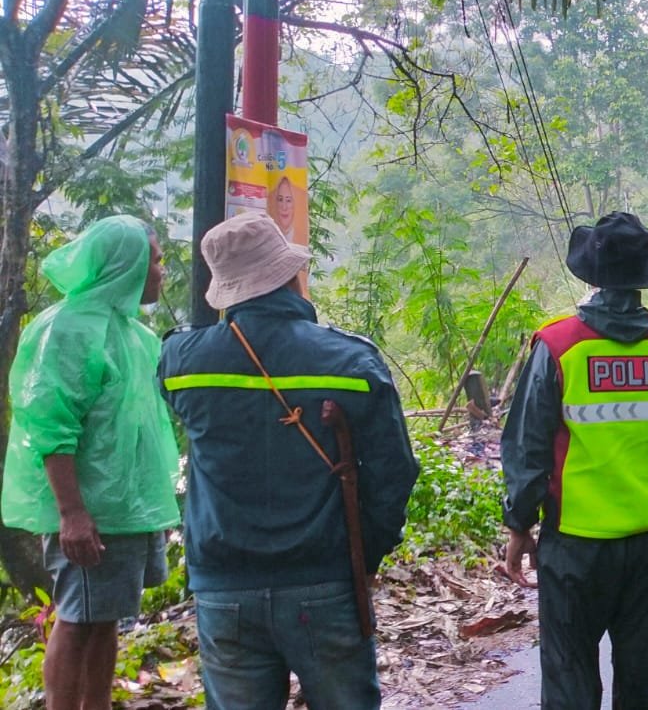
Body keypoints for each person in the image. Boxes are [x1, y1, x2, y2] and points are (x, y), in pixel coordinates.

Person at [157, 212, 419, 710]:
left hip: (224, 587)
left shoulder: (181, 362)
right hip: (325, 579)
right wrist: (367, 553)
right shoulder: (351, 360)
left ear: (225, 290)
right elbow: (395, 471)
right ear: (291, 275)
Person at [501, 211, 648, 709]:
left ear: (591, 274)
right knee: (646, 684)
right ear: (643, 277)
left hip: (576, 548)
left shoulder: (558, 347)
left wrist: (520, 525)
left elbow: (528, 446)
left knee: (569, 682)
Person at [2, 216, 179, 710]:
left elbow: (141, 428)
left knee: (104, 617)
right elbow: (51, 425)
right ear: (126, 265)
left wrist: (150, 507)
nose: (161, 271)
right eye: (155, 261)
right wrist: (72, 513)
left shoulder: (131, 333)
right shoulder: (69, 329)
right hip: (88, 510)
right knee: (77, 617)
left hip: (123, 509)